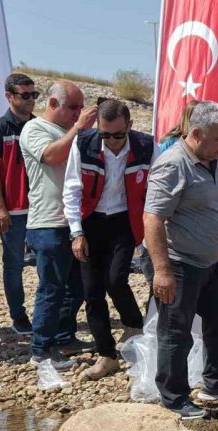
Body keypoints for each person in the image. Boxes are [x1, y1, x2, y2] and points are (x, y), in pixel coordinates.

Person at [144, 101, 218, 420]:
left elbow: (210, 205)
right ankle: (173, 396)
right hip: (179, 263)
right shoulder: (173, 164)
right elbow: (152, 219)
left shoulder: (212, 160)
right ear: (196, 134)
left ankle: (216, 381)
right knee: (176, 331)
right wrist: (162, 271)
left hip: (210, 262)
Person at [63, 99, 154, 380]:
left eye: (118, 134)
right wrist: (77, 232)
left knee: (116, 279)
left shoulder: (146, 146)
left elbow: (158, 188)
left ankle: (134, 325)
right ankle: (107, 356)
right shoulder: (83, 143)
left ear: (129, 126)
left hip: (124, 221)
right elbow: (72, 189)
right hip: (91, 222)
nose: (112, 141)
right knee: (92, 292)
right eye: (105, 134)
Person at [19, 80, 97, 369]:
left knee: (76, 286)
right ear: (53, 104)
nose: (78, 114)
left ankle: (64, 336)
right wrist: (79, 130)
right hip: (48, 222)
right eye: (73, 108)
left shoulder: (70, 131)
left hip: (75, 222)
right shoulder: (34, 128)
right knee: (51, 288)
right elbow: (51, 156)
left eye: (80, 108)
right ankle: (41, 349)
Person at [0, 73, 38, 335]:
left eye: (34, 95)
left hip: (41, 208)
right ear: (9, 96)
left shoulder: (39, 126)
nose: (30, 100)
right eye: (24, 95)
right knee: (14, 263)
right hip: (13, 210)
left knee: (46, 262)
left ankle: (46, 314)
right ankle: (18, 316)